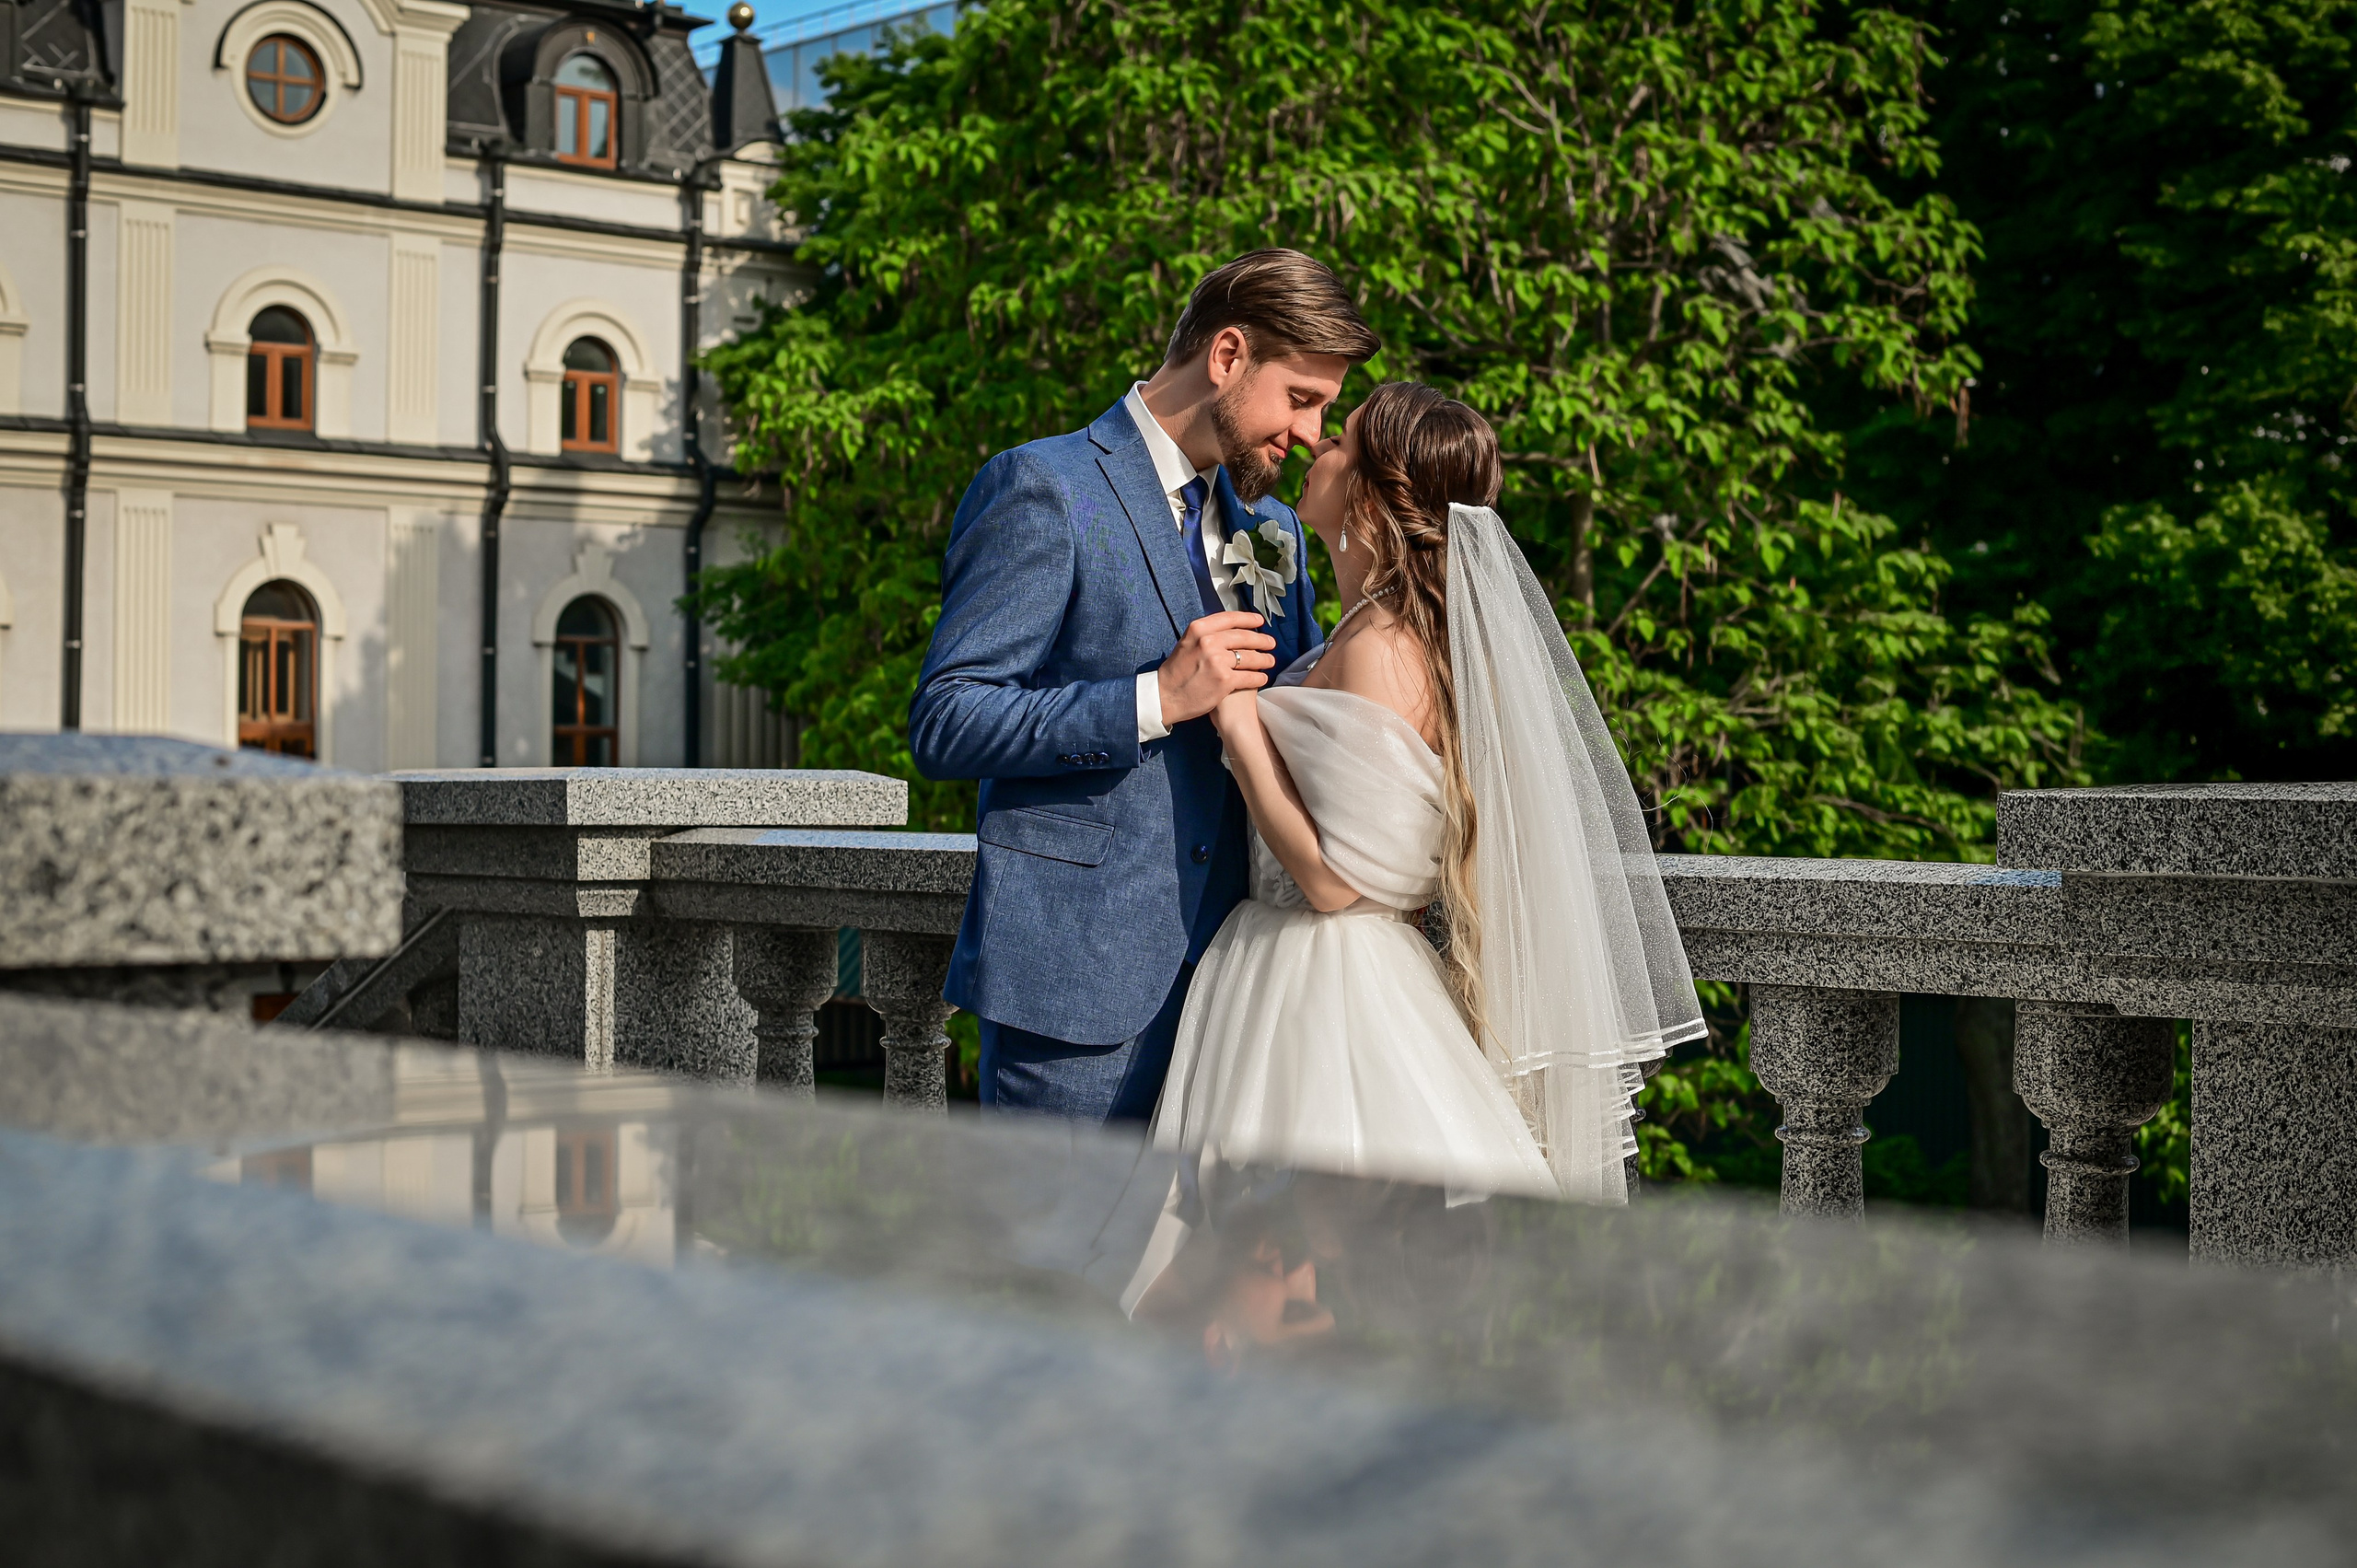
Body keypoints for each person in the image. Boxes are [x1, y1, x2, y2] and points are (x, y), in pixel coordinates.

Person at [1150, 382, 1708, 1203]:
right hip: (1294, 958)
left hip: (1326, 980)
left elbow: (1337, 882)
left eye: (1338, 442)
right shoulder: (1366, 626)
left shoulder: (1383, 644)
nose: (1316, 449)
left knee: (1290, 1249)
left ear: (1373, 496)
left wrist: (1239, 725)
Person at [909, 250, 1380, 1120]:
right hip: (1075, 1002)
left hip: (1246, 997)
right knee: (1063, 1259)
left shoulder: (1275, 528)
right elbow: (947, 719)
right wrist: (1155, 699)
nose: (1314, 434)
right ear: (1228, 355)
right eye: (1302, 399)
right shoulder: (1045, 487)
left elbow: (1319, 726)